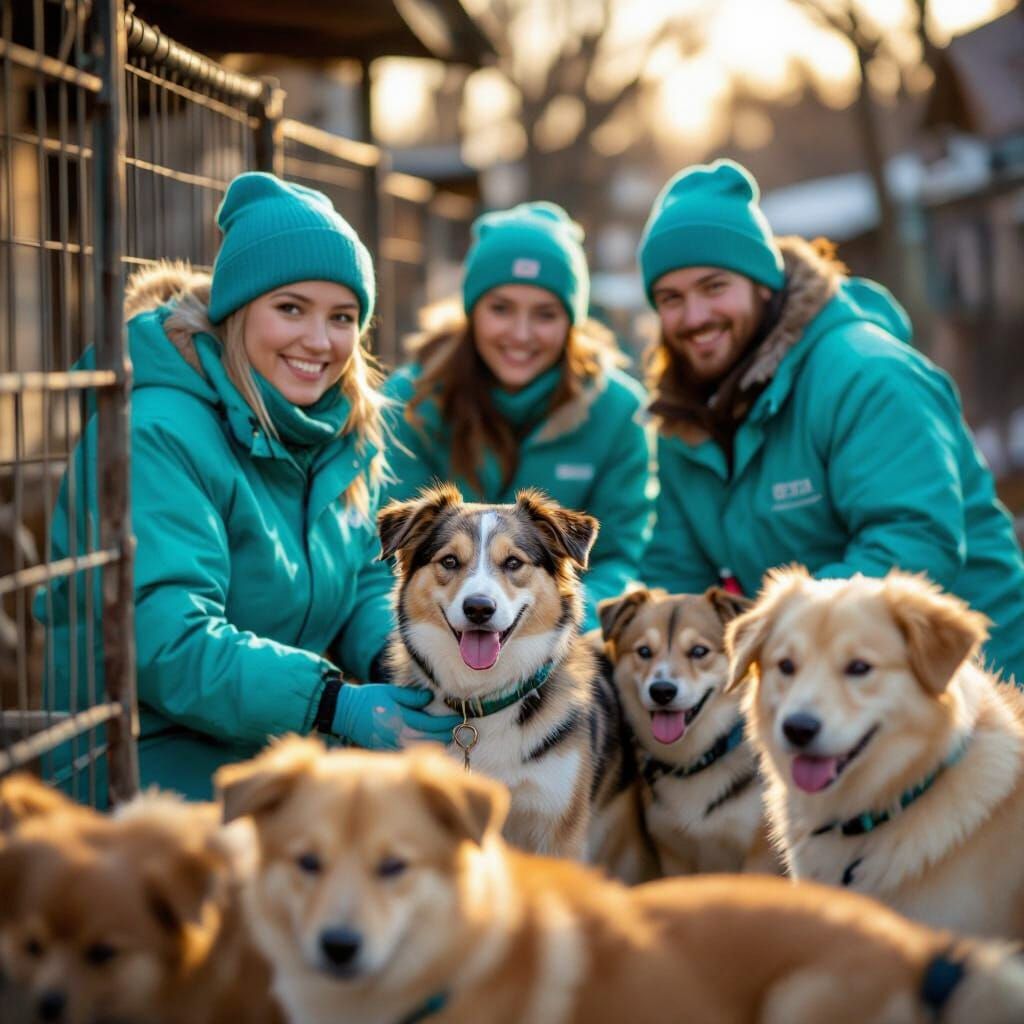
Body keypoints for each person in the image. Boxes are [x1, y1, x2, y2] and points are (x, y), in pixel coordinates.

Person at [37, 173, 458, 800]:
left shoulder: (335, 426)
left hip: (283, 754)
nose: (319, 341)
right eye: (290, 308)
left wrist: (398, 658)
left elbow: (362, 578)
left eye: (342, 317)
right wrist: (332, 703)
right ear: (236, 309)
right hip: (147, 769)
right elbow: (165, 639)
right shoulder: (153, 433)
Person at [638, 158, 1024, 682]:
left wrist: (768, 635)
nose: (695, 316)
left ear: (763, 284)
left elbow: (911, 545)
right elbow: (676, 575)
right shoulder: (683, 419)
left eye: (714, 287)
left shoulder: (867, 376)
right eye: (671, 298)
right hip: (816, 680)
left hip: (966, 681)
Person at [382, 201, 653, 630]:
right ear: (472, 311)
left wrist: (553, 638)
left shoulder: (618, 411)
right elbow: (378, 559)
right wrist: (397, 653)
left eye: (545, 314)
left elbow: (623, 559)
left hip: (562, 640)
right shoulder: (410, 400)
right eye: (501, 308)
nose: (521, 334)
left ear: (572, 321)